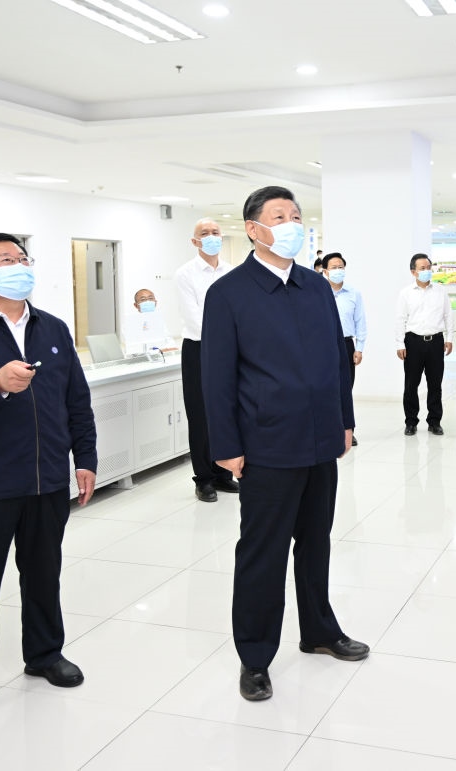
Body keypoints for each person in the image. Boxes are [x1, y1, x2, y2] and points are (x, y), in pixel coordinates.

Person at [202, 185, 368, 703]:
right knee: (263, 552)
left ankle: (319, 630)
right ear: (254, 229)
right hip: (267, 443)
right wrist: (225, 445)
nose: (292, 224)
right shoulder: (228, 293)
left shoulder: (315, 287)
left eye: (296, 216)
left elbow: (337, 360)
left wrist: (345, 420)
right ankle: (255, 657)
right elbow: (216, 377)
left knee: (316, 542)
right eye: (280, 217)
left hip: (320, 440)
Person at [0, 233, 98, 741]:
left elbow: (76, 400)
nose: (19, 265)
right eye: (5, 259)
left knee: (43, 574)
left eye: (23, 258)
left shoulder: (52, 328)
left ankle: (44, 653)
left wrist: (85, 459)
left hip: (45, 479)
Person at [174, 218, 239, 503]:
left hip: (229, 349)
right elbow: (194, 317)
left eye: (215, 232)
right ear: (194, 241)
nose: (211, 236)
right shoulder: (185, 274)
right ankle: (203, 479)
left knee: (226, 411)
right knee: (200, 416)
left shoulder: (231, 272)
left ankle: (222, 473)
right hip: (198, 349)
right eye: (204, 233)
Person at [393, 253, 454, 436]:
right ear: (413, 272)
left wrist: (449, 338)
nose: (427, 271)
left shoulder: (440, 291)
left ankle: (434, 421)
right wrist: (400, 343)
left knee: (435, 384)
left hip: (436, 342)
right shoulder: (406, 293)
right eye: (422, 268)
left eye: (428, 267)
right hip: (413, 342)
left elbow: (448, 316)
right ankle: (411, 422)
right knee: (411, 384)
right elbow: (400, 319)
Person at [322, 252, 366, 446]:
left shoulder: (354, 294)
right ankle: (328, 430)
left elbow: (360, 321)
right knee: (325, 389)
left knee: (346, 390)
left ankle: (348, 431)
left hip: (347, 345)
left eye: (341, 267)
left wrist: (360, 347)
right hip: (323, 346)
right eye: (334, 267)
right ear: (325, 271)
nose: (338, 270)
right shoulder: (318, 293)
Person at [123, 288, 177, 354]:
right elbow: (133, 350)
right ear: (136, 305)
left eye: (151, 298)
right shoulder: (130, 323)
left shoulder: (159, 320)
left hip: (161, 357)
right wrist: (158, 351)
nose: (148, 302)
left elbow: (171, 344)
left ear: (155, 303)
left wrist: (165, 350)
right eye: (143, 299)